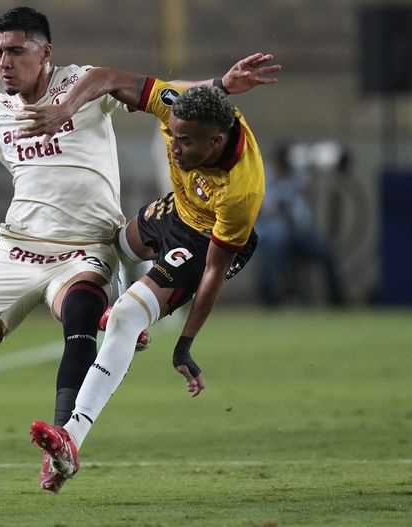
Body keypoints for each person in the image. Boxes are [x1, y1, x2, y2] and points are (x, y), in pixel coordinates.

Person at [0, 6, 275, 502]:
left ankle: (63, 441)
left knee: (83, 307)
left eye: (16, 51)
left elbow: (148, 89)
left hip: (86, 247)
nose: (5, 62)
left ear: (45, 52)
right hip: (17, 251)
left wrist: (218, 85)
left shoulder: (80, 85)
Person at [21, 58, 278, 490]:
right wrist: (64, 110)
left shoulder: (241, 191)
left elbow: (213, 272)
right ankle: (133, 325)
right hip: (179, 209)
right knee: (115, 244)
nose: (174, 147)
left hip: (205, 240)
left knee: (124, 315)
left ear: (216, 142)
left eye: (186, 142)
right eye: (172, 135)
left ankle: (72, 438)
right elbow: (105, 77)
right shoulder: (177, 104)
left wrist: (185, 345)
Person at [256, 143, 344, 306]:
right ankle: (270, 298)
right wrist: (277, 208)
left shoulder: (298, 178)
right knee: (275, 249)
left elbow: (306, 204)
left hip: (298, 234)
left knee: (327, 252)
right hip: (271, 235)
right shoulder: (264, 178)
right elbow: (258, 212)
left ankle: (337, 300)